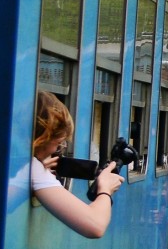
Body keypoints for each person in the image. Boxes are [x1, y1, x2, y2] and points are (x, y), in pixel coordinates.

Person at [28, 91, 124, 237]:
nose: (56, 150)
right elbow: (95, 225)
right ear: (44, 138)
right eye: (58, 144)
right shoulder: (33, 168)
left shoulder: (22, 163)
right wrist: (105, 189)